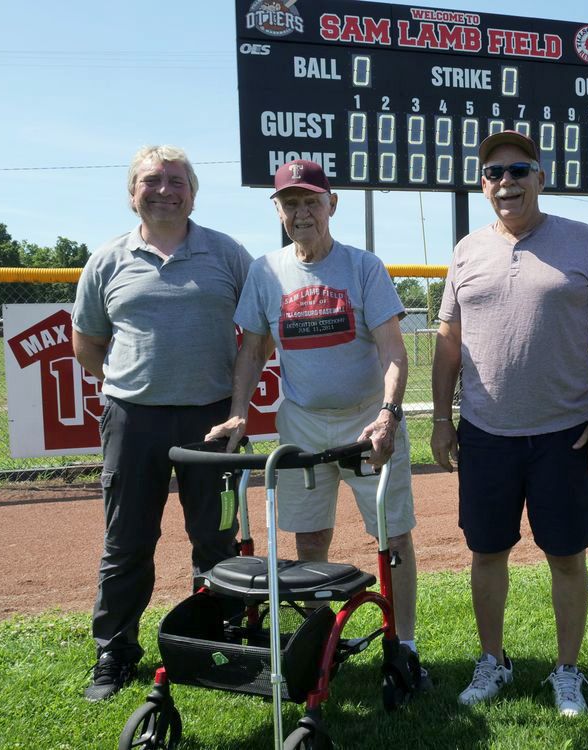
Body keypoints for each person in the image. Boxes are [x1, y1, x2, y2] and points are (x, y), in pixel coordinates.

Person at [205, 159, 426, 676]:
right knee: (308, 541)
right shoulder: (266, 271)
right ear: (278, 210)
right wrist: (239, 413)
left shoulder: (362, 267)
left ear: (332, 204)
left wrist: (389, 415)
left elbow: (394, 350)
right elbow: (253, 349)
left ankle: (405, 646)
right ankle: (318, 647)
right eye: (290, 203)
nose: (301, 212)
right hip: (302, 422)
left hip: (368, 420)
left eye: (311, 201)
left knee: (393, 536)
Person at [431, 130, 588, 716]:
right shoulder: (466, 250)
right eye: (494, 173)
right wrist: (442, 419)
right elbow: (448, 342)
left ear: (541, 177)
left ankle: (568, 671)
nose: (506, 182)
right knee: (487, 552)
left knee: (566, 555)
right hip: (486, 433)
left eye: (519, 171)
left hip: (565, 433)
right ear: (483, 184)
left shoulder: (582, 240)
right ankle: (494, 661)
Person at [72, 145, 253, 701]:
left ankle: (216, 643)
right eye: (152, 181)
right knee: (126, 542)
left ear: (193, 193)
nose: (165, 190)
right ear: (133, 193)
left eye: (177, 181)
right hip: (133, 420)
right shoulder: (107, 261)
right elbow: (87, 345)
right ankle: (116, 652)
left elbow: (258, 333)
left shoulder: (227, 254)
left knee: (217, 540)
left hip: (212, 421)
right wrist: (138, 382)